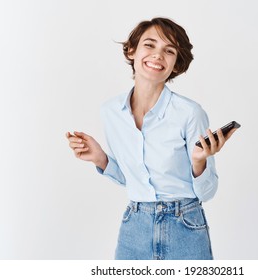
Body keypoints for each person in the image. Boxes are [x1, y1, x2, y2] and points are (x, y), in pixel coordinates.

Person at [66, 17, 238, 260]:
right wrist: (101, 159)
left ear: (176, 64)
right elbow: (134, 181)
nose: (158, 55)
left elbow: (207, 192)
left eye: (169, 51)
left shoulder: (190, 113)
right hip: (134, 226)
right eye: (150, 45)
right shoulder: (111, 112)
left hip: (185, 226)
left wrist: (199, 162)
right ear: (131, 50)